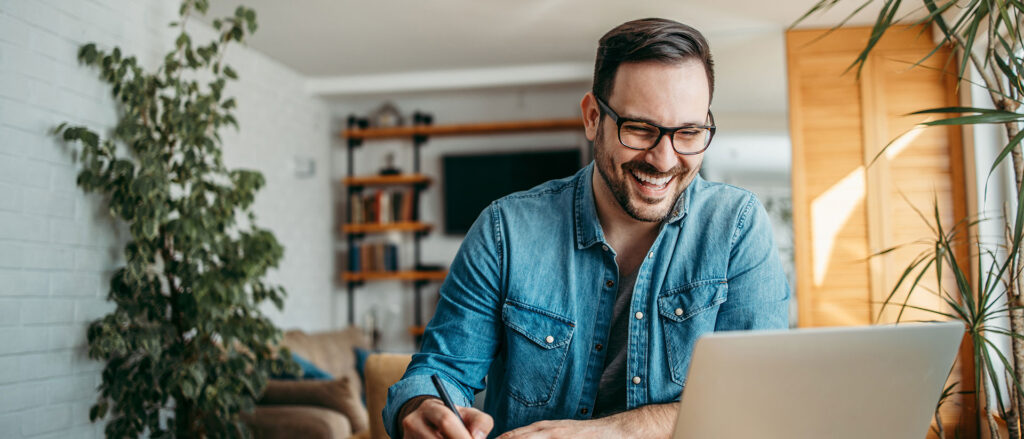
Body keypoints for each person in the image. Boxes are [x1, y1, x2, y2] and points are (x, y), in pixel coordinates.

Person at [384, 17, 790, 439]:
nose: (665, 160)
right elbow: (440, 371)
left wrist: (614, 431)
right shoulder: (504, 231)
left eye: (688, 132)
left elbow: (757, 399)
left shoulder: (737, 226)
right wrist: (424, 407)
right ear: (593, 117)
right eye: (640, 129)